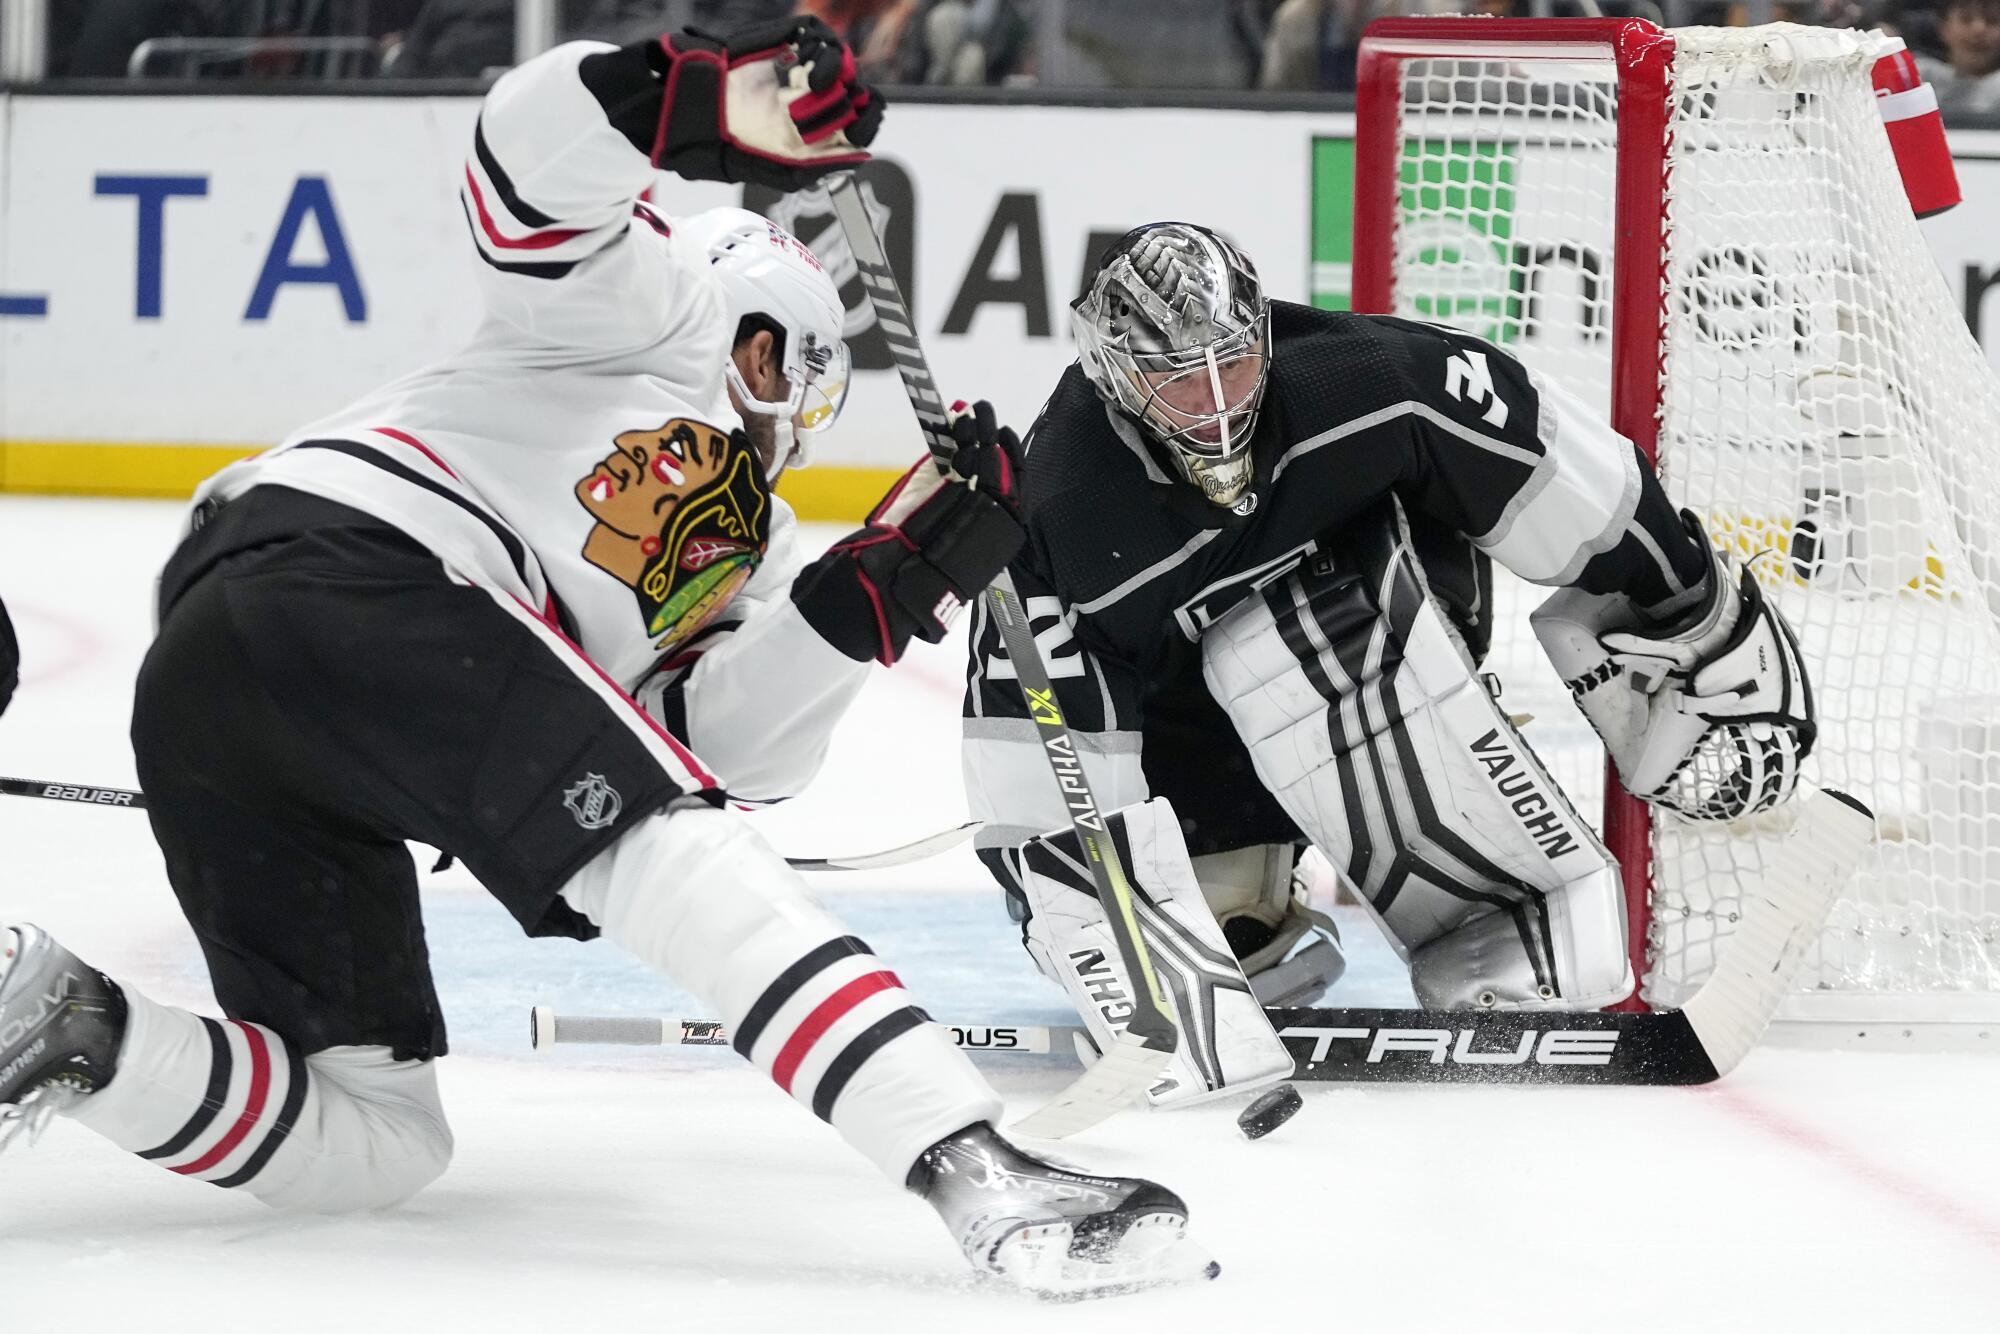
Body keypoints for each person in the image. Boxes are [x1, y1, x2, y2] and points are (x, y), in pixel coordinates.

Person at [0, 20, 1217, 1298]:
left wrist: (883, 587)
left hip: (233, 680)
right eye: (801, 391)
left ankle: (72, 1023)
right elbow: (521, 167)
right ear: (766, 347)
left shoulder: (755, 542)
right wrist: (698, 94)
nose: (795, 430)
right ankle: (971, 1161)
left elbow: (722, 747)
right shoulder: (645, 316)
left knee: (371, 1138)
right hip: (360, 566)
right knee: (669, 851)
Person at [961, 223, 1816, 1106]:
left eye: (1234, 365)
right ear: (1116, 377)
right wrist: (1101, 936)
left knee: (1299, 640)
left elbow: (1564, 478)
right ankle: (1250, 908)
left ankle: (1505, 913)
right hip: (1191, 728)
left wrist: (1693, 609)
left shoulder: (1373, 383)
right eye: (1180, 380)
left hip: (1384, 621)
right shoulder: (1065, 517)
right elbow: (1034, 769)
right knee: (1222, 926)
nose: (1216, 403)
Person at [1917, 0, 2000, 116]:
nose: (1978, 30)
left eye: (1992, 21)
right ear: (1944, 28)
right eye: (1966, 19)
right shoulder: (1920, 78)